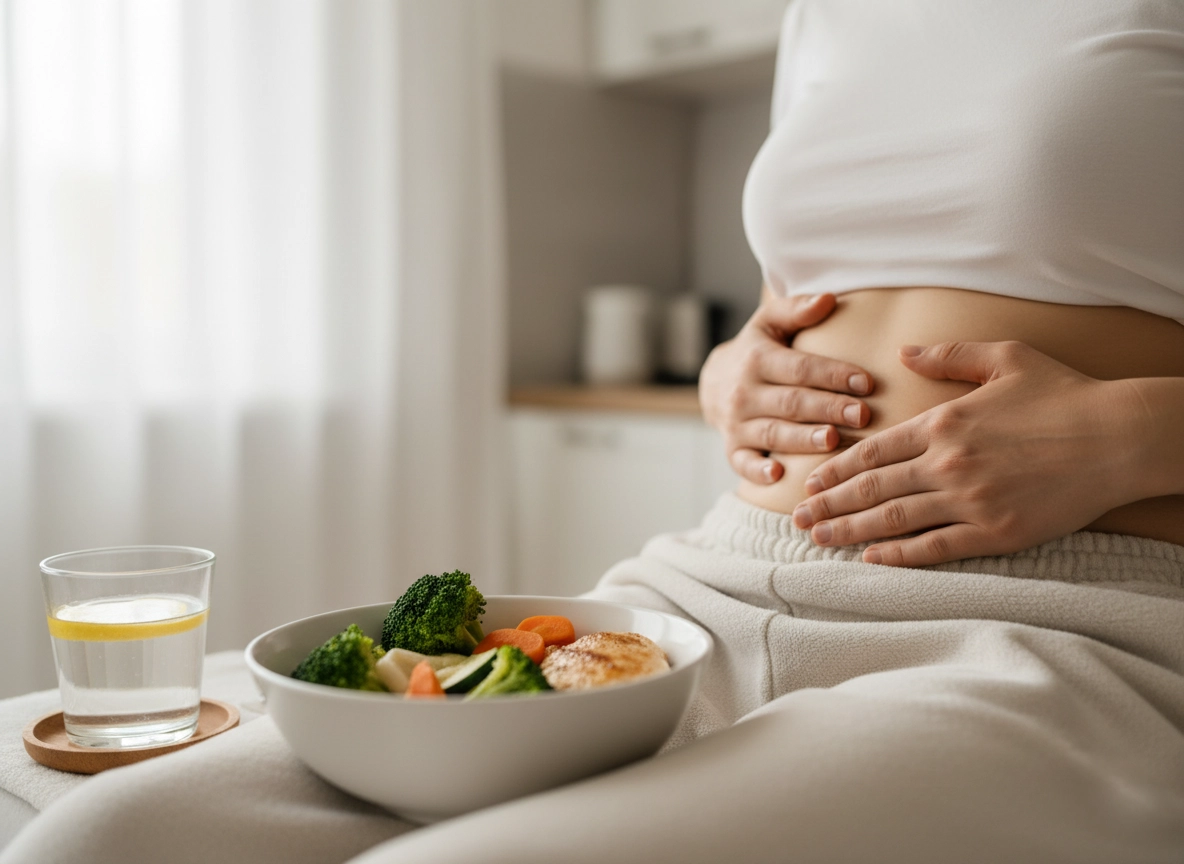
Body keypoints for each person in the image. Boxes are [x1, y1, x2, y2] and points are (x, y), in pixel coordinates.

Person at [3, 3, 1181, 863]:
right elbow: (812, 289)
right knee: (106, 838)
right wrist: (731, 375)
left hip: (1060, 624)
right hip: (706, 591)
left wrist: (1132, 432)